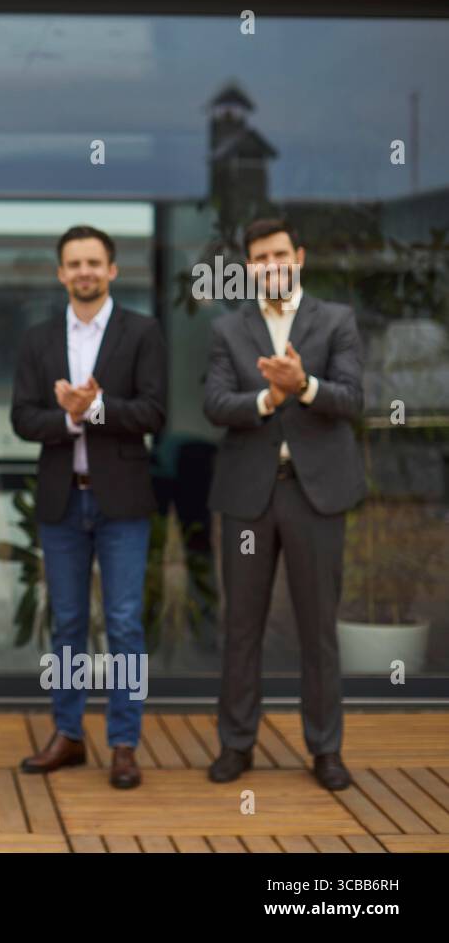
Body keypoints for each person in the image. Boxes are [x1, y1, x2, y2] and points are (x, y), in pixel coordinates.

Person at [204, 216, 364, 791]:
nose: (271, 266)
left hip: (316, 493)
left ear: (298, 256)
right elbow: (216, 404)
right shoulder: (228, 329)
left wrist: (306, 386)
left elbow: (351, 398)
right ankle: (236, 744)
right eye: (259, 258)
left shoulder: (337, 321)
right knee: (241, 625)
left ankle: (326, 750)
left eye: (279, 255)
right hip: (250, 495)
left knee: (317, 626)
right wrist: (269, 398)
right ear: (248, 268)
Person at [11, 226, 167, 789]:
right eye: (74, 263)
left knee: (124, 625)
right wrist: (72, 418)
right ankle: (69, 734)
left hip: (122, 503)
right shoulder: (38, 339)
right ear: (60, 273)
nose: (84, 271)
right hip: (61, 501)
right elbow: (23, 419)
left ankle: (123, 743)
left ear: (112, 270)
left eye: (94, 262)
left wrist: (96, 409)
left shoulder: (142, 332)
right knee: (68, 623)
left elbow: (154, 412)